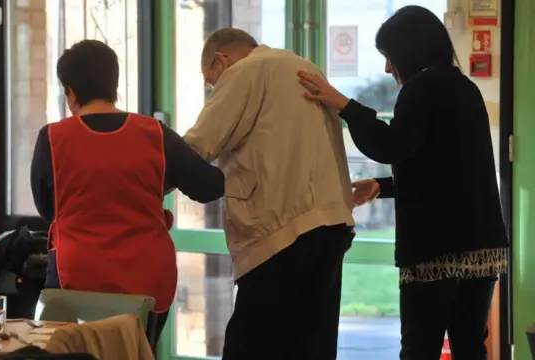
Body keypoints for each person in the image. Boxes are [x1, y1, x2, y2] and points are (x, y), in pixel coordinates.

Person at [298, 6, 509, 359]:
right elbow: (443, 168)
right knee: (471, 347)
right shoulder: (464, 87)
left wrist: (344, 106)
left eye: (389, 56)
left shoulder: (421, 88)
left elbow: (393, 145)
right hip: (483, 248)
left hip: (436, 251)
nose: (386, 67)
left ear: (409, 51)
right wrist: (382, 186)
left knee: (419, 349)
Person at [30, 40, 225, 351]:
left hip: (75, 277)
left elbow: (47, 209)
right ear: (114, 85)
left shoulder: (52, 138)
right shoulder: (155, 133)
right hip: (146, 279)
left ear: (71, 92)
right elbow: (210, 186)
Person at [183, 28, 355, 360]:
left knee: (250, 345)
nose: (213, 90)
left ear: (223, 60)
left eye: (210, 82)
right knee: (310, 345)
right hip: (330, 226)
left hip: (280, 233)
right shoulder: (305, 67)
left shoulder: (243, 71)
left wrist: (146, 180)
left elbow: (198, 144)